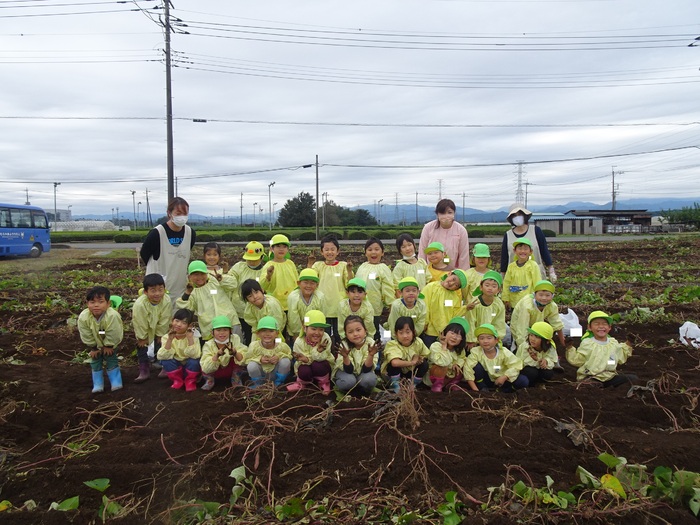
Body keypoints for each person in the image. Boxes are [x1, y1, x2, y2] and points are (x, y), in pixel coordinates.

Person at [140, 197, 196, 306]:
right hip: (158, 284)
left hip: (179, 283)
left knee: (178, 310)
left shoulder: (190, 233)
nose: (182, 216)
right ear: (169, 213)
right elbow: (145, 254)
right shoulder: (157, 233)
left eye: (185, 213)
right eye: (178, 213)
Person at [566, 311, 637, 387]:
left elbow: (620, 356)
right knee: (590, 385)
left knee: (633, 379)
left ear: (609, 327)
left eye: (604, 324)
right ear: (589, 327)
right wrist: (569, 347)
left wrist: (629, 343)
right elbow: (578, 360)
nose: (601, 326)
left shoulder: (613, 343)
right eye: (597, 324)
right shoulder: (587, 343)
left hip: (609, 377)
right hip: (591, 377)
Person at [176, 261, 242, 342]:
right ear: (190, 276)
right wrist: (188, 292)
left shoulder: (215, 281)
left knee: (236, 345)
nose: (200, 277)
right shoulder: (193, 292)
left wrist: (221, 279)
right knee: (213, 348)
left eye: (202, 274)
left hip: (229, 320)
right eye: (196, 274)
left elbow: (233, 285)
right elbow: (186, 306)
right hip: (209, 328)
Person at [78, 286, 124, 393]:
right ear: (87, 303)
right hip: (95, 343)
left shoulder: (112, 316)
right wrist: (94, 348)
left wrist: (108, 346)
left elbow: (114, 332)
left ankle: (116, 382)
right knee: (95, 361)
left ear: (108, 304)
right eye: (92, 302)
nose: (96, 305)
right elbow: (86, 333)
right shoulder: (84, 317)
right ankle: (98, 384)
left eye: (100, 302)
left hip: (109, 344)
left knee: (111, 358)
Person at [309, 235, 353, 343]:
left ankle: (340, 352)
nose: (330, 252)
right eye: (326, 249)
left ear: (338, 251)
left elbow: (350, 283)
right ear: (322, 252)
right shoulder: (318, 266)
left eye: (333, 249)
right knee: (325, 335)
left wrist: (349, 270)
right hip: (323, 306)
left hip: (339, 306)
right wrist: (309, 264)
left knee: (340, 334)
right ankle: (326, 352)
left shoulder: (343, 266)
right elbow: (310, 279)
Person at [132, 273, 172, 383]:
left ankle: (163, 365)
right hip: (145, 327)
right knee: (142, 346)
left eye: (160, 290)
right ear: (146, 292)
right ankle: (144, 370)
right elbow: (139, 322)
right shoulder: (140, 304)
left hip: (159, 324)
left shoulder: (166, 300)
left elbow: (165, 318)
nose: (157, 294)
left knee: (162, 342)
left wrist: (160, 334)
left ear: (164, 289)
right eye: (153, 291)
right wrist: (142, 337)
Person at [464, 324, 528, 393]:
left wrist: (505, 377)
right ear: (478, 340)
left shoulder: (504, 352)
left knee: (523, 380)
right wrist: (475, 391)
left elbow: (516, 365)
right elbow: (468, 369)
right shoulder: (476, 352)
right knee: (476, 367)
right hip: (486, 379)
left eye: (489, 338)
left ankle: (504, 391)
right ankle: (482, 387)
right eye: (482, 338)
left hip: (502, 381)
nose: (485, 341)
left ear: (496, 340)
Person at [224, 241, 267, 344]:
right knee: (242, 336)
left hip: (258, 311)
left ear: (262, 257)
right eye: (249, 259)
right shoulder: (239, 267)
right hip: (239, 310)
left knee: (256, 336)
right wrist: (223, 276)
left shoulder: (265, 270)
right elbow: (231, 280)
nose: (251, 262)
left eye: (254, 259)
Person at [501, 203, 556, 282]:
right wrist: (502, 275)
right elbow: (504, 257)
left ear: (524, 216)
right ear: (511, 219)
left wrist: (551, 270)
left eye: (520, 214)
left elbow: (544, 250)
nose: (517, 217)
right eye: (514, 215)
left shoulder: (535, 231)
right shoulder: (508, 235)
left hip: (536, 274)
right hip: (516, 275)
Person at [354, 238, 394, 341]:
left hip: (374, 307)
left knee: (374, 331)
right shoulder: (362, 267)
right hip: (359, 307)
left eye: (377, 249)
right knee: (359, 330)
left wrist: (390, 304)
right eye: (370, 249)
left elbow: (388, 287)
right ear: (365, 253)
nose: (373, 252)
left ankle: (376, 349)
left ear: (382, 252)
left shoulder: (383, 268)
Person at [510, 280, 565, 351]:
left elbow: (556, 323)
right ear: (534, 295)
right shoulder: (527, 306)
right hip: (519, 326)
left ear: (552, 296)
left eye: (547, 295)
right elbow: (522, 329)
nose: (544, 298)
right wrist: (524, 348)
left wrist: (562, 341)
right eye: (541, 295)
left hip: (535, 327)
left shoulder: (552, 306)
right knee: (521, 348)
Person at [287, 310, 334, 394]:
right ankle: (302, 383)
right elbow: (299, 359)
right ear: (305, 328)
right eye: (313, 329)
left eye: (321, 329)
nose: (317, 333)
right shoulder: (299, 341)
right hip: (306, 365)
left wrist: (314, 354)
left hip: (321, 365)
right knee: (304, 370)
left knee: (319, 365)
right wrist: (306, 360)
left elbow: (322, 357)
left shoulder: (325, 339)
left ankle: (324, 383)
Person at [418, 198, 470, 271]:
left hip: (452, 272)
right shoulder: (428, 228)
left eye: (449, 212)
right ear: (437, 214)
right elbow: (422, 251)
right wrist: (421, 272)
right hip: (430, 271)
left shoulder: (461, 230)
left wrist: (462, 274)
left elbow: (464, 256)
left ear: (454, 213)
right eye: (442, 213)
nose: (446, 216)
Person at [157, 308, 202, 391]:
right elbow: (162, 356)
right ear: (172, 320)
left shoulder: (194, 336)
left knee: (194, 361)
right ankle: (177, 381)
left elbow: (195, 355)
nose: (178, 324)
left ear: (189, 325)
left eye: (183, 323)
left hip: (189, 368)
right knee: (166, 361)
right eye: (177, 321)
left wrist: (190, 339)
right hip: (177, 367)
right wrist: (170, 339)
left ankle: (190, 381)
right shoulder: (166, 337)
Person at [382, 316, 430, 393]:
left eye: (408, 332)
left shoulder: (418, 342)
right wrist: (412, 362)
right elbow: (395, 363)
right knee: (393, 365)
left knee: (424, 364)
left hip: (410, 373)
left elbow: (425, 355)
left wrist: (419, 358)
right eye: (401, 333)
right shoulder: (392, 344)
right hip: (396, 374)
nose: (405, 336)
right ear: (396, 334)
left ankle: (413, 384)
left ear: (413, 332)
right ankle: (395, 385)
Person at [334, 315, 379, 396]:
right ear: (346, 334)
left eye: (358, 330)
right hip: (346, 372)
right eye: (350, 332)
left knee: (370, 380)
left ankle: (360, 389)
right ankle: (346, 390)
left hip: (363, 372)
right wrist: (345, 357)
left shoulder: (371, 343)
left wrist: (371, 355)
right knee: (348, 382)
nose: (355, 334)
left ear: (365, 330)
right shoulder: (344, 345)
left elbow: (366, 369)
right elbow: (348, 370)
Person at [421, 269, 468, 347]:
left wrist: (466, 308)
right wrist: (425, 323)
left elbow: (455, 314)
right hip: (430, 331)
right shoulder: (431, 287)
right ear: (449, 273)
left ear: (456, 289)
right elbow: (424, 305)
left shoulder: (455, 297)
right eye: (453, 279)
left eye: (456, 285)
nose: (451, 283)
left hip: (445, 334)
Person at [200, 315, 248, 390]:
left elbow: (245, 359)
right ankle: (209, 381)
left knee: (238, 357)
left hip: (231, 370)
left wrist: (235, 353)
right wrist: (217, 355)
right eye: (218, 330)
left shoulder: (235, 339)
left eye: (225, 330)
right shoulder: (208, 345)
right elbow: (206, 368)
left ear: (230, 331)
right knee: (206, 363)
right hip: (216, 372)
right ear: (212, 332)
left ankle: (236, 379)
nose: (222, 333)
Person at [245, 316, 292, 388]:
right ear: (258, 333)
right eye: (264, 331)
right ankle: (259, 385)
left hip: (275, 372)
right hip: (261, 373)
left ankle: (278, 384)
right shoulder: (254, 346)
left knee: (286, 361)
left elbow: (289, 355)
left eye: (271, 331)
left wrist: (278, 357)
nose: (267, 334)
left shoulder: (281, 345)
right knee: (251, 365)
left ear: (277, 333)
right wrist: (259, 359)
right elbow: (247, 360)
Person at [427, 317, 470, 392]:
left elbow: (462, 358)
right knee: (442, 366)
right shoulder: (436, 346)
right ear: (444, 333)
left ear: (462, 339)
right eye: (452, 333)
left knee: (466, 364)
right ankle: (437, 387)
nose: (454, 337)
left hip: (450, 376)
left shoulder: (460, 350)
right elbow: (441, 362)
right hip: (434, 378)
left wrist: (458, 365)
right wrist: (444, 347)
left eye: (458, 335)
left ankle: (452, 385)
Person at [465, 271, 506, 347]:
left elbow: (499, 323)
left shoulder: (499, 304)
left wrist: (496, 338)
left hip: (491, 339)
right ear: (481, 287)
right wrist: (471, 340)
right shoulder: (474, 303)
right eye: (487, 285)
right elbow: (470, 321)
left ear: (498, 290)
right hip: (475, 339)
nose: (490, 288)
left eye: (494, 286)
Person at [259, 234, 299, 312]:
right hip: (275, 304)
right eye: (278, 246)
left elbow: (297, 281)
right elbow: (262, 285)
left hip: (291, 303)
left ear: (287, 249)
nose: (281, 249)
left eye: (284, 247)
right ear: (272, 248)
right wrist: (268, 276)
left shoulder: (290, 263)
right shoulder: (269, 265)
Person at [286, 268, 326, 341]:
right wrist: (298, 334)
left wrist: (314, 332)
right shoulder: (293, 297)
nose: (308, 286)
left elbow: (321, 315)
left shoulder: (320, 297)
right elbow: (293, 318)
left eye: (312, 283)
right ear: (299, 283)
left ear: (317, 285)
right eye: (305, 282)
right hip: (297, 332)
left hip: (315, 331)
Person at [502, 238, 541, 309]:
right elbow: (506, 283)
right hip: (514, 300)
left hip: (529, 301)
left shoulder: (533, 265)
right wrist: (506, 298)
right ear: (514, 251)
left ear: (531, 251)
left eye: (525, 249)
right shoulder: (511, 266)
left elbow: (537, 282)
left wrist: (538, 297)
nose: (523, 251)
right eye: (520, 249)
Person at [516, 322, 557, 386]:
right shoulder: (526, 347)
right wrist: (535, 359)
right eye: (531, 335)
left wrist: (546, 361)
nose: (532, 339)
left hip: (540, 370)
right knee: (531, 372)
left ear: (547, 341)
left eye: (537, 337)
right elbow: (521, 364)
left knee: (548, 373)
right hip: (525, 369)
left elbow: (552, 361)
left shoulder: (551, 348)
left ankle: (539, 384)